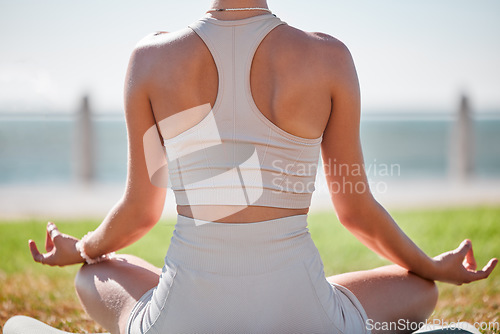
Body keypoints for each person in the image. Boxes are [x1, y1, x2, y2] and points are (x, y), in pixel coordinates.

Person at [28, 1, 497, 333]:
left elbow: (140, 211)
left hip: (183, 321)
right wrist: (432, 266)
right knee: (421, 291)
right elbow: (356, 211)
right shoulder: (329, 56)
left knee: (94, 273)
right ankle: (292, 287)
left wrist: (84, 247)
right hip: (306, 319)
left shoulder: (151, 59)